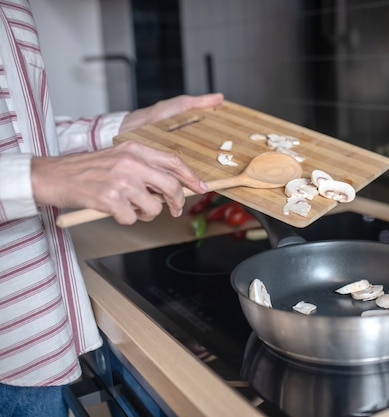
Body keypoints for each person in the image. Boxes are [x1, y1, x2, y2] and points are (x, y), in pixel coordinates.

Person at [0, 1, 224, 415]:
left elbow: (21, 139)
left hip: (34, 340)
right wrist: (40, 178)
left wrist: (132, 125)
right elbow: (32, 164)